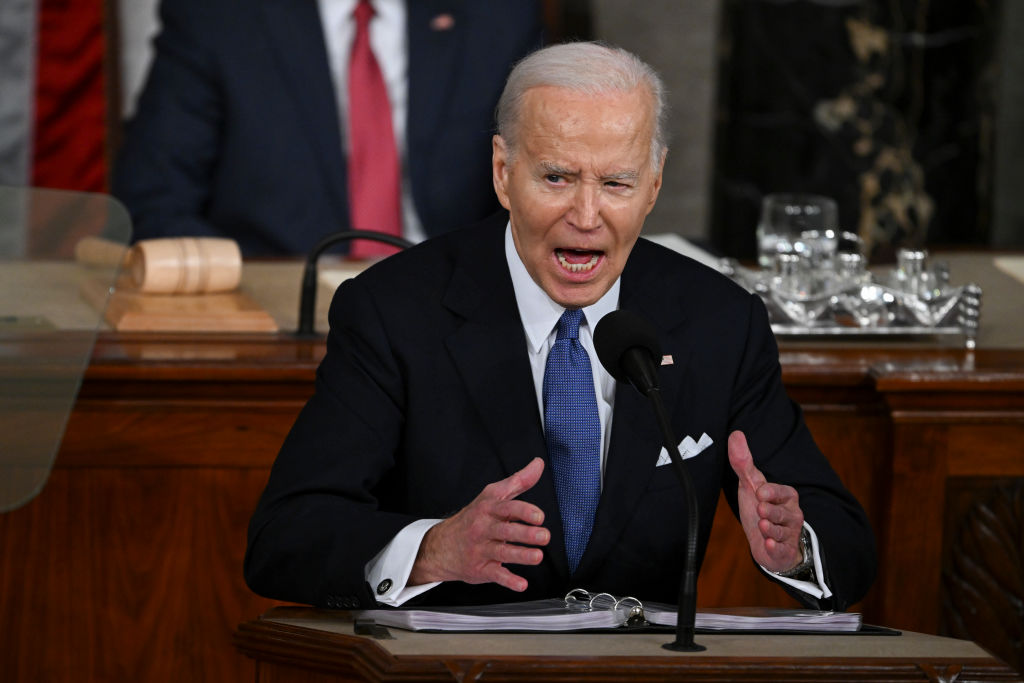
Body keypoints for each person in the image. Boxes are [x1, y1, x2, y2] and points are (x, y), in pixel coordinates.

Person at [244, 42, 876, 611]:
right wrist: (433, 548)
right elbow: (287, 536)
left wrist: (793, 548)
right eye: (557, 177)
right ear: (502, 172)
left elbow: (845, 543)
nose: (586, 215)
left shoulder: (718, 322)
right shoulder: (393, 312)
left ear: (653, 186)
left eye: (617, 183)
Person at [112, 0, 543, 256]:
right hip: (272, 313)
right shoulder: (218, 15)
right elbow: (153, 197)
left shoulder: (498, 12)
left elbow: (543, 188)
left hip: (451, 309)